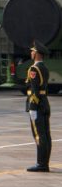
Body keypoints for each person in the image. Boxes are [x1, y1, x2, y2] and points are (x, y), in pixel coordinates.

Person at [25, 40, 52, 172]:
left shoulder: (34, 69)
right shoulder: (44, 67)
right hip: (45, 103)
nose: (31, 53)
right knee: (46, 134)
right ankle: (45, 162)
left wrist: (32, 107)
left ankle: (41, 164)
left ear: (36, 54)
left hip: (37, 105)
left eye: (32, 51)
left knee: (38, 135)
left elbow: (35, 90)